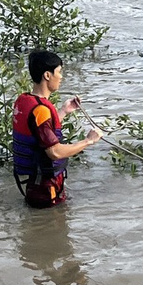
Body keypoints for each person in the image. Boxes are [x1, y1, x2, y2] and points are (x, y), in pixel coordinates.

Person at [12, 49, 101, 209]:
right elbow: (55, 152)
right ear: (47, 75)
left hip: (35, 186)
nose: (61, 77)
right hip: (46, 192)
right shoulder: (41, 110)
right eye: (59, 72)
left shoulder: (24, 101)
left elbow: (39, 133)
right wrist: (88, 141)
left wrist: (64, 111)